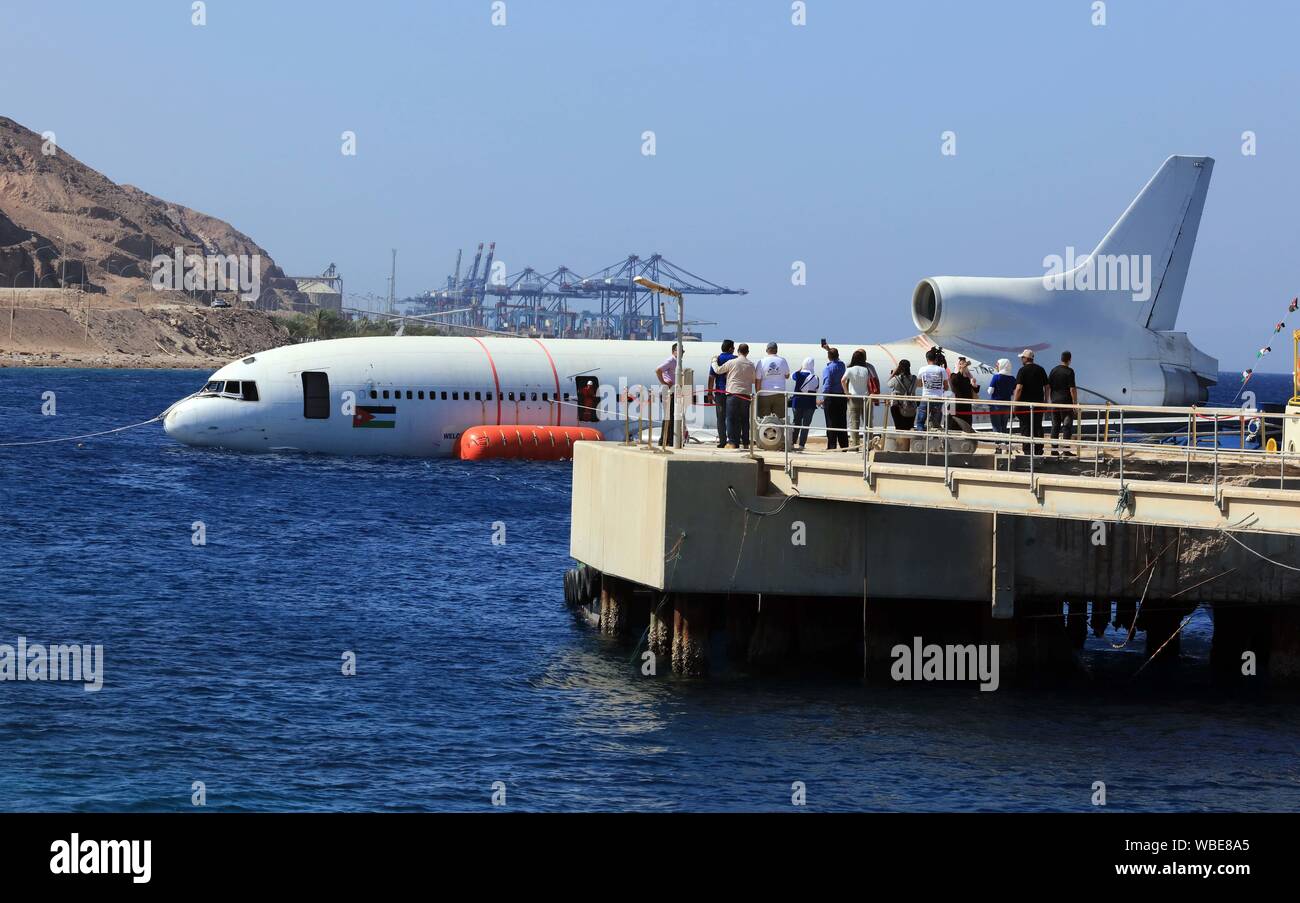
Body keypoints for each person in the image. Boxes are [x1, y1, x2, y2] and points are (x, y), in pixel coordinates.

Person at [715, 343, 756, 449]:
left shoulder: (732, 362)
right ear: (747, 352)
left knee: (731, 419)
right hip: (746, 394)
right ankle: (746, 443)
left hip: (733, 393)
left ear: (738, 351)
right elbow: (753, 380)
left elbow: (718, 370)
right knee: (745, 419)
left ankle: (733, 442)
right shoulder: (751, 364)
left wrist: (713, 361)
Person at [1012, 348, 1050, 456]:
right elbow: (1047, 387)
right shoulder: (1041, 369)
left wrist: (1015, 403)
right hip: (1038, 404)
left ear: (1026, 358)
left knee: (1025, 428)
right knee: (1038, 427)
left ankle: (1027, 452)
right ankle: (1038, 451)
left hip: (1024, 405)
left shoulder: (1022, 370)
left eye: (1022, 357)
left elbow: (1019, 388)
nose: (1021, 360)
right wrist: (1046, 401)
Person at [1049, 350, 1078, 456]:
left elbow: (1049, 386)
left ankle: (1054, 450)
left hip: (1055, 402)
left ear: (1061, 359)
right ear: (1069, 360)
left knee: (1055, 426)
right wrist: (1074, 403)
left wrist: (1049, 400)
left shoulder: (1053, 370)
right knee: (1067, 426)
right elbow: (1072, 389)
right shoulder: (1070, 371)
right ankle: (1066, 450)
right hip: (1066, 403)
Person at [654, 343, 685, 447]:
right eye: (679, 351)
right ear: (673, 351)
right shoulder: (671, 361)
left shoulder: (677, 362)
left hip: (673, 390)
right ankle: (665, 439)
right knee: (669, 416)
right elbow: (658, 370)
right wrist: (664, 382)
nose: (681, 353)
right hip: (668, 391)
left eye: (682, 351)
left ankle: (668, 439)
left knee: (672, 416)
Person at [842, 348, 872, 450]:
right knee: (867, 423)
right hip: (865, 398)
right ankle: (869, 445)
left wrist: (846, 393)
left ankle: (855, 446)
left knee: (854, 423)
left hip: (853, 397)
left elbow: (842, 380)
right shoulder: (866, 370)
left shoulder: (850, 369)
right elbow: (868, 383)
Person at [708, 340, 737, 448]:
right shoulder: (735, 359)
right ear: (730, 349)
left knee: (720, 418)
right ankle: (732, 441)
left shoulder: (717, 360)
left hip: (719, 392)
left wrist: (710, 393)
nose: (734, 350)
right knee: (732, 417)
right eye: (733, 348)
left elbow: (711, 377)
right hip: (732, 392)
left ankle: (722, 441)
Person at [819, 347, 848, 449]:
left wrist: (824, 398)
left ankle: (832, 446)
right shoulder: (842, 365)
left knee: (831, 422)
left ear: (828, 357)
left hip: (831, 397)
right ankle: (844, 445)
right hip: (842, 396)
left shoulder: (828, 369)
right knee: (842, 421)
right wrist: (829, 349)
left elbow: (827, 384)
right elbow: (836, 358)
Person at [914, 347, 948, 432]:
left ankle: (921, 438)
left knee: (920, 422)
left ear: (927, 359)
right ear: (935, 358)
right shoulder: (942, 370)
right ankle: (935, 441)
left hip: (926, 398)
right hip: (938, 399)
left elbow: (918, 385)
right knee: (936, 424)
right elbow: (946, 386)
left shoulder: (922, 369)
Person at [755, 342, 791, 420]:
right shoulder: (782, 360)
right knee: (779, 420)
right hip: (780, 393)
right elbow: (787, 376)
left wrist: (758, 393)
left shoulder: (761, 362)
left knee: (764, 420)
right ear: (776, 350)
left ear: (767, 350)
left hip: (764, 394)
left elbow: (758, 380)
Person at [790, 356, 819, 449]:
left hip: (797, 402)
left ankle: (792, 442)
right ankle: (802, 444)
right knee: (806, 424)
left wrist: (801, 368)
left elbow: (792, 375)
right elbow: (816, 390)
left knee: (796, 422)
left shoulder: (798, 375)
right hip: (810, 403)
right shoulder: (815, 377)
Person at [986, 359, 1016, 446]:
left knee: (996, 427)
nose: (996, 366)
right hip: (1007, 405)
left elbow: (990, 391)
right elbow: (1014, 392)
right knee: (1004, 427)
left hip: (995, 405)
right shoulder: (1012, 378)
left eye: (997, 365)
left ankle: (998, 447)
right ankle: (1006, 446)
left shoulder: (996, 377)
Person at [949, 356, 979, 431]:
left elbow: (975, 391)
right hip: (955, 406)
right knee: (954, 427)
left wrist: (974, 384)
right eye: (961, 364)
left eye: (964, 364)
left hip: (966, 406)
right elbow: (955, 381)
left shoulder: (968, 377)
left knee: (967, 427)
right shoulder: (953, 375)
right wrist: (963, 368)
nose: (963, 366)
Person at [888, 360, 918, 432]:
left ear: (899, 368)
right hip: (911, 407)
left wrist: (894, 373)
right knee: (909, 428)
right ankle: (907, 442)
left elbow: (888, 384)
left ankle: (900, 442)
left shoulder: (896, 379)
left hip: (897, 406)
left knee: (899, 428)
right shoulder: (914, 378)